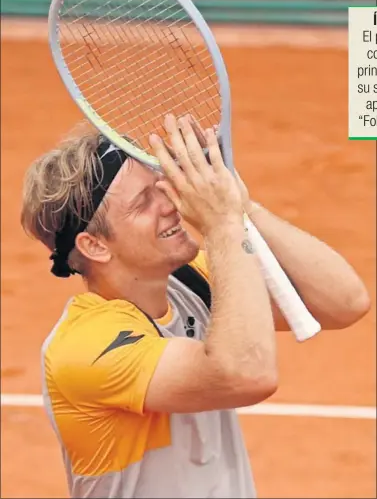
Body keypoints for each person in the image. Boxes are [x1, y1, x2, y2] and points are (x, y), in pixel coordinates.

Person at [21, 114, 370, 499]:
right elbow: (246, 374)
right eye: (143, 203)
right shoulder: (85, 348)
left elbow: (344, 302)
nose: (171, 202)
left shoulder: (190, 281)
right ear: (95, 246)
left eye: (160, 187)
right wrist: (222, 224)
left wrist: (240, 206)